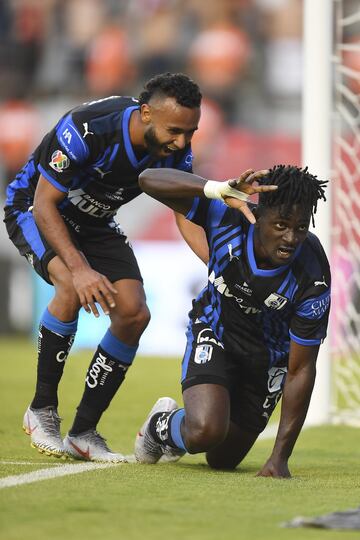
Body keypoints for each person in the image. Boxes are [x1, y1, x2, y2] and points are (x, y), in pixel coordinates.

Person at [3, 72, 202, 462]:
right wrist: (79, 270)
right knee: (68, 286)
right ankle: (41, 409)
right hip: (35, 209)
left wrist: (218, 265)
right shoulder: (87, 129)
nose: (182, 142)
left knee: (133, 313)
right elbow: (44, 204)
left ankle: (84, 432)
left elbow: (186, 212)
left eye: (191, 132)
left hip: (95, 222)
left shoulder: (176, 149)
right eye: (175, 130)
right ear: (145, 113)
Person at [134, 165, 331, 478]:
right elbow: (148, 180)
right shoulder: (228, 216)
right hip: (217, 333)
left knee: (222, 460)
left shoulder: (312, 273)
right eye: (281, 224)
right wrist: (214, 188)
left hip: (268, 360)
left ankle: (190, 426)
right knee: (204, 433)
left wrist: (280, 457)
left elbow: (301, 368)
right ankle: (161, 426)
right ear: (259, 213)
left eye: (301, 227)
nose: (291, 237)